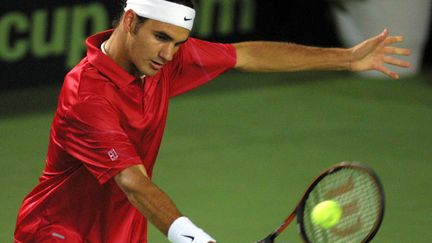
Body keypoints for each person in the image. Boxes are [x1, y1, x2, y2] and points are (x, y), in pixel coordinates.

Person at [14, 0, 411, 242]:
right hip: (57, 232)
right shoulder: (87, 94)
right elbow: (133, 181)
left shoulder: (160, 60)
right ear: (130, 21)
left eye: (178, 43)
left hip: (121, 232)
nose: (169, 55)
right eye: (161, 38)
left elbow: (247, 55)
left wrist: (346, 58)